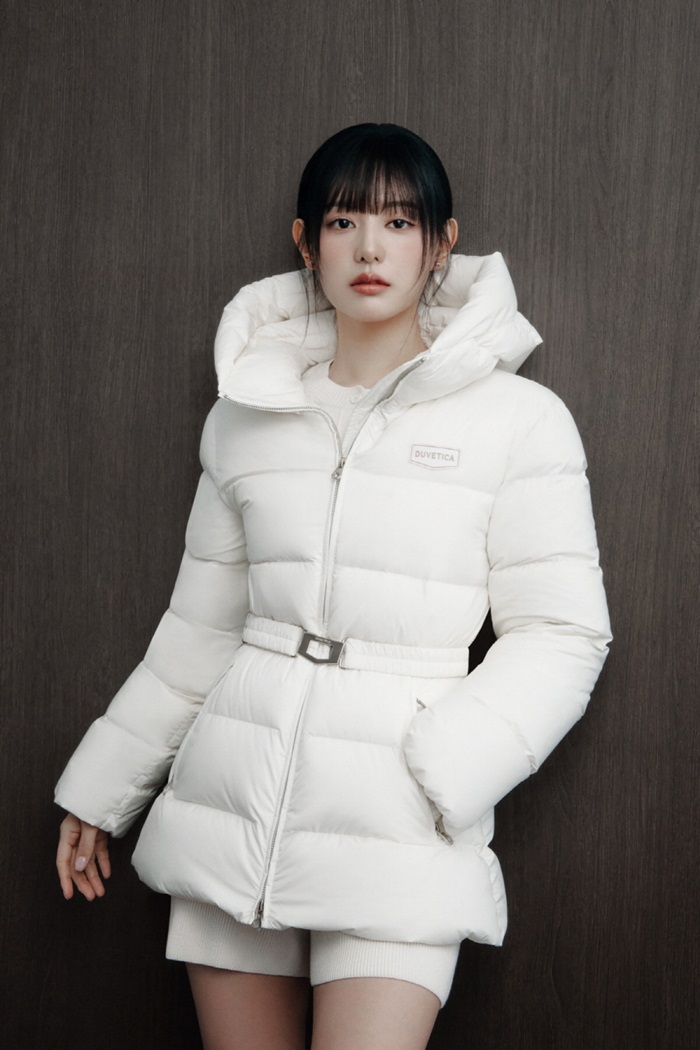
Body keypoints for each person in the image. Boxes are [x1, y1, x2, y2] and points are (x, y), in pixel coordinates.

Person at [55, 123, 611, 1050]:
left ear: (442, 242)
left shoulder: (521, 421)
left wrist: (444, 771)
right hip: (231, 811)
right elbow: (201, 629)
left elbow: (563, 633)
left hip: (399, 826)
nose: (370, 248)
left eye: (399, 222)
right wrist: (101, 788)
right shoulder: (246, 416)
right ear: (306, 243)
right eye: (345, 221)